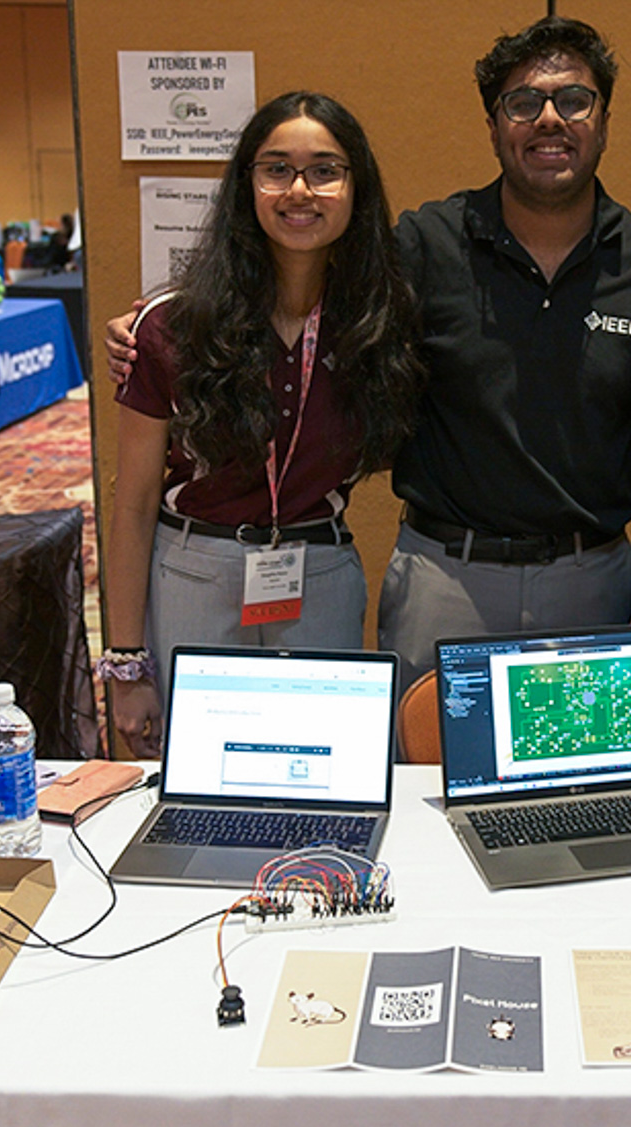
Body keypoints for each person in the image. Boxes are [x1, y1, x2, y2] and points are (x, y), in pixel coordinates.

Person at [106, 18, 631, 683]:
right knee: (424, 777)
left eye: (574, 99)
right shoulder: (422, 247)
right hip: (445, 580)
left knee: (580, 781)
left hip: (592, 578)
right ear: (494, 123)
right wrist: (156, 328)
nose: (549, 120)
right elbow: (297, 279)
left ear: (605, 115)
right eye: (523, 103)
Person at [103, 92, 423, 758]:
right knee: (196, 773)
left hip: (321, 570)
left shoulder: (378, 324)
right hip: (194, 569)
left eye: (325, 169)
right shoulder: (170, 326)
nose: (299, 189)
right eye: (276, 168)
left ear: (355, 188)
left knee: (322, 769)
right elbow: (130, 505)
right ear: (246, 183)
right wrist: (126, 664)